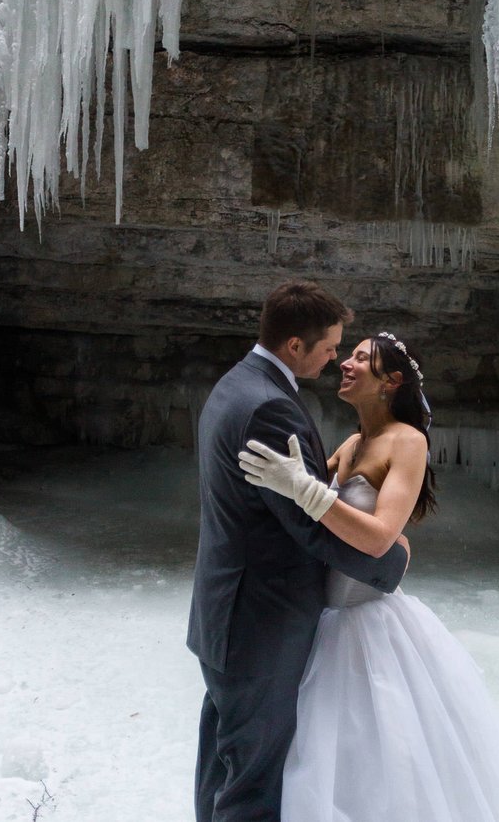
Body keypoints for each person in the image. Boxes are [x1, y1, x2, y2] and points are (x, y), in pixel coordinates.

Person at [240, 332, 499, 822]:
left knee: (386, 765)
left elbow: (381, 537)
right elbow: (308, 516)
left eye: (361, 358)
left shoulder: (408, 441)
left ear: (391, 382)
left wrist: (305, 491)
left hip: (369, 623)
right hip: (323, 619)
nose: (345, 363)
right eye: (348, 354)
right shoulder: (351, 443)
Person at [187, 283, 409, 822]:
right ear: (293, 345)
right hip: (260, 621)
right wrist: (391, 560)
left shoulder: (236, 384)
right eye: (330, 346)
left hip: (226, 610)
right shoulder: (269, 407)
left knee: (225, 763)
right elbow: (307, 527)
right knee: (254, 782)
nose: (336, 357)